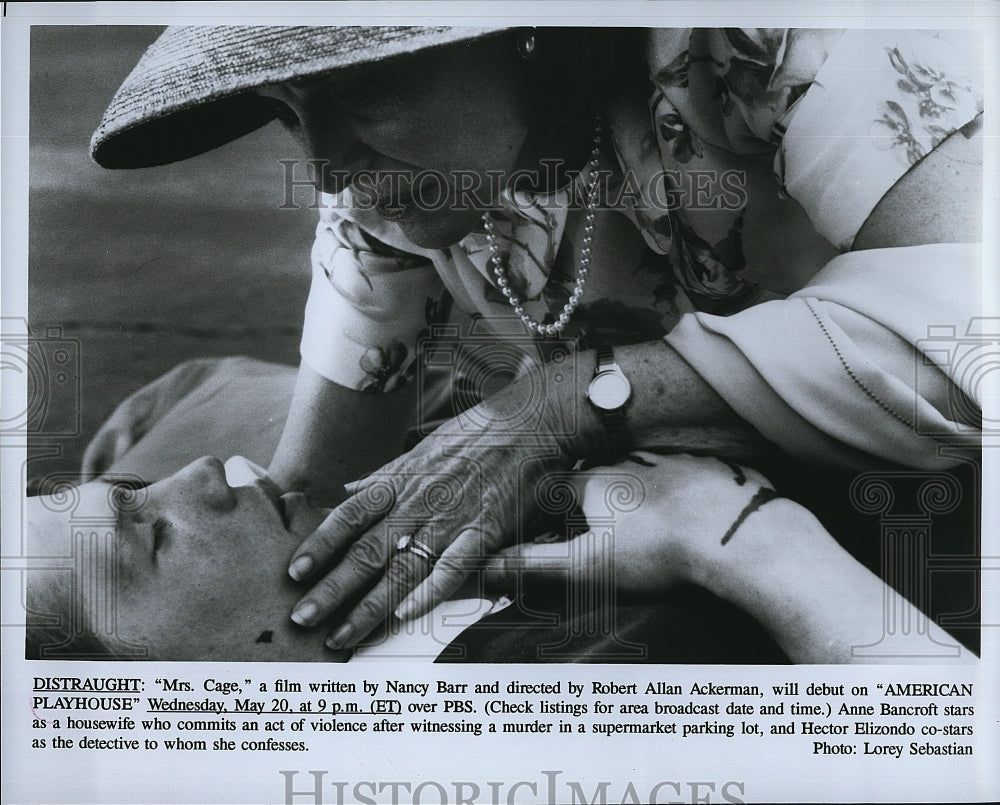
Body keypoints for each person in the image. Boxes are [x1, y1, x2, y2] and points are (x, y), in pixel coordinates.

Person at [89, 26, 984, 651]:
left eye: (359, 87)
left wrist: (565, 404)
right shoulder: (390, 185)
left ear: (518, 29)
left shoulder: (758, 36)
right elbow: (322, 494)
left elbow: (972, 335)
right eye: (288, 109)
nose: (324, 164)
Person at [25, 447, 975, 663]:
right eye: (147, 535)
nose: (208, 469)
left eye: (138, 480)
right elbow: (947, 751)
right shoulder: (524, 706)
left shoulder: (386, 523)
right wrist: (745, 540)